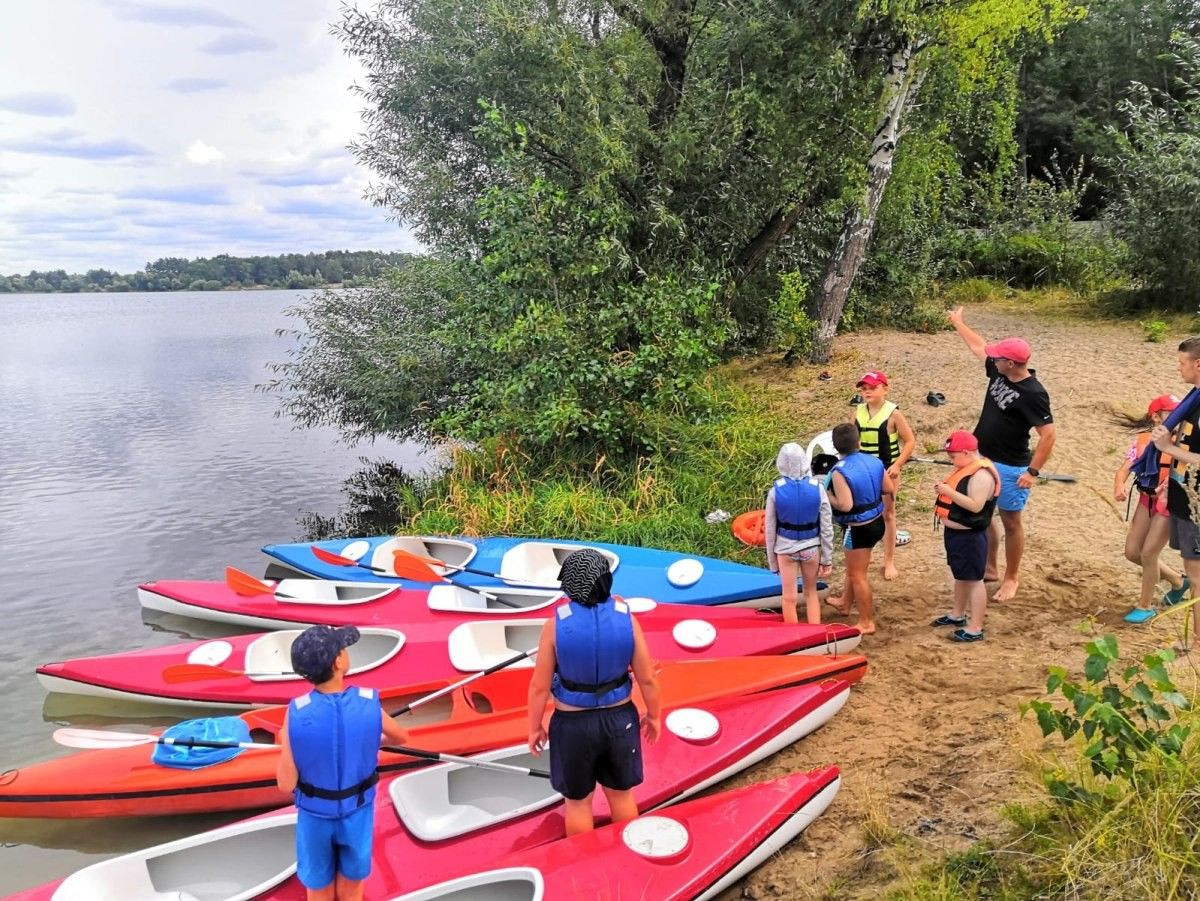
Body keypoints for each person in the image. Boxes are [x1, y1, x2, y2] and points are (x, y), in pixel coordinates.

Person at [527, 548, 662, 835]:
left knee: (578, 803)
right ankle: (628, 851)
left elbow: (539, 687)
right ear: (606, 581)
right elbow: (648, 678)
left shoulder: (554, 626)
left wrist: (534, 727)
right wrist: (654, 716)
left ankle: (583, 859)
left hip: (572, 725)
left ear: (569, 585)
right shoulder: (628, 620)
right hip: (619, 722)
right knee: (621, 795)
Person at [277, 625, 409, 901]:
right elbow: (402, 737)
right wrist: (371, 741)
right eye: (344, 649)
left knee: (318, 890)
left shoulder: (295, 712)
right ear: (338, 662)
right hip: (356, 813)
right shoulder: (368, 703)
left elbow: (286, 784)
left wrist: (285, 743)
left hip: (315, 817)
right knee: (352, 889)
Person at [947, 307, 1056, 601]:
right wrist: (958, 322)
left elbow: (1048, 435)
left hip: (1011, 466)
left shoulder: (1034, 394)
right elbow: (978, 346)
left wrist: (1032, 472)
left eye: (998, 357)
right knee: (982, 514)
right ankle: (991, 568)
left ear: (1011, 363)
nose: (992, 359)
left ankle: (1011, 578)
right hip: (982, 459)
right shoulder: (999, 369)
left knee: (1011, 521)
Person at [1113, 394, 1188, 623]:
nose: (1178, 416)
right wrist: (1119, 486)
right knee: (1132, 552)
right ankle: (1177, 580)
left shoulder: (1183, 442)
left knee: (1149, 553)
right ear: (1156, 417)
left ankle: (1145, 606)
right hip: (1146, 500)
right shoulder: (1143, 441)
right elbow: (1124, 470)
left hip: (1169, 504)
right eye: (1171, 412)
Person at [1151, 337, 1200, 650]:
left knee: (1197, 577)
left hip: (1197, 501)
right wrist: (1169, 482)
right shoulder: (1192, 401)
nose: (1178, 368)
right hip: (1183, 493)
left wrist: (1166, 447)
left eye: (1182, 362)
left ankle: (1197, 644)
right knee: (1193, 572)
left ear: (1198, 364)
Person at [825, 422, 895, 635]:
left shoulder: (839, 471)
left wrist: (827, 495)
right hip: (877, 522)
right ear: (859, 441)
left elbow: (845, 505)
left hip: (857, 529)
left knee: (858, 575)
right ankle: (844, 603)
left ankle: (866, 622)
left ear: (835, 447)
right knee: (854, 568)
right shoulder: (874, 461)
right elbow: (888, 488)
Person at [931, 430, 1000, 642]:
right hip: (956, 534)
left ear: (966, 452)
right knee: (960, 576)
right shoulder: (967, 469)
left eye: (953, 457)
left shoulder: (981, 476)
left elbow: (976, 506)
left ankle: (975, 628)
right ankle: (957, 614)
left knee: (974, 581)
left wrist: (947, 491)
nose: (951, 461)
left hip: (970, 538)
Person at [849, 370, 916, 580]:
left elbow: (910, 441)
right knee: (863, 514)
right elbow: (852, 441)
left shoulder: (894, 414)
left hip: (886, 471)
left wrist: (897, 465)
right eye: (864, 388)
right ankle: (862, 560)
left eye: (872, 387)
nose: (867, 392)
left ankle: (889, 561)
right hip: (863, 471)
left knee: (888, 514)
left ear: (885, 389)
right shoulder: (858, 411)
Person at [764, 442, 834, 624]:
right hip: (811, 548)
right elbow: (826, 526)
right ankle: (816, 634)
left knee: (789, 598)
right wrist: (827, 558)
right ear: (804, 461)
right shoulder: (818, 488)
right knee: (811, 593)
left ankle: (794, 637)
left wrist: (772, 563)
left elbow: (769, 530)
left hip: (785, 549)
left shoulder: (775, 491)